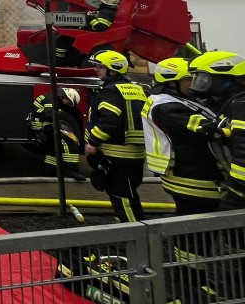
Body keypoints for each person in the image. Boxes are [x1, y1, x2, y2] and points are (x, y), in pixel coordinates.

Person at [143, 57, 223, 216]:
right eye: (188, 79)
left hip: (187, 171)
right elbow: (204, 127)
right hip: (189, 177)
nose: (194, 82)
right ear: (172, 82)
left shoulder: (175, 98)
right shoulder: (166, 106)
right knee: (196, 226)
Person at [84, 50, 148, 222]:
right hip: (134, 153)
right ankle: (131, 227)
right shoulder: (135, 88)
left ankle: (133, 236)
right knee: (129, 193)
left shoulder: (111, 91)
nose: (96, 70)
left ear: (114, 69)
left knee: (122, 197)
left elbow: (110, 122)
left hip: (116, 155)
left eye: (101, 67)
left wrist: (93, 142)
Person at [186, 51, 245, 212]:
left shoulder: (240, 104)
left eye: (204, 79)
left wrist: (237, 190)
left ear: (226, 80)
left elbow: (243, 149)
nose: (198, 84)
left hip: (241, 189)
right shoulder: (233, 102)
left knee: (229, 227)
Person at [27, 87, 86, 180]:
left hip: (41, 125)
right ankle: (72, 170)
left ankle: (50, 169)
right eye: (70, 102)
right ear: (66, 97)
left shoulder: (51, 97)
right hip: (42, 126)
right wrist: (58, 115)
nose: (69, 105)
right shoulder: (52, 99)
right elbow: (48, 114)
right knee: (69, 142)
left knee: (53, 146)